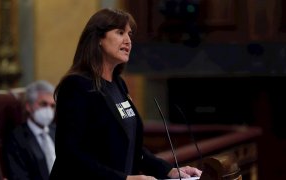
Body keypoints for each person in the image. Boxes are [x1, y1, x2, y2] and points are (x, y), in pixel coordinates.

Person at [49, 8, 202, 180]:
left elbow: (134, 150)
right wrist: (124, 179)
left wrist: (169, 171)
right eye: (120, 33)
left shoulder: (119, 84)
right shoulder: (76, 86)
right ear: (98, 38)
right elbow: (69, 155)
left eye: (130, 35)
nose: (128, 41)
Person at [5, 80, 56, 180]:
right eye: (43, 104)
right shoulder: (17, 138)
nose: (48, 110)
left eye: (52, 106)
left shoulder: (57, 131)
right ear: (28, 106)